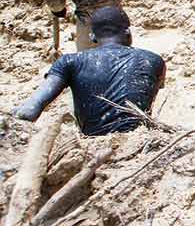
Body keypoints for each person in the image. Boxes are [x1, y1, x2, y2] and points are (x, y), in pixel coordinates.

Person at [12, 7, 165, 136]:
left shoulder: (70, 62)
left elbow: (29, 111)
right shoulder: (153, 60)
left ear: (92, 37)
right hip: (139, 143)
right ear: (128, 32)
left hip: (91, 148)